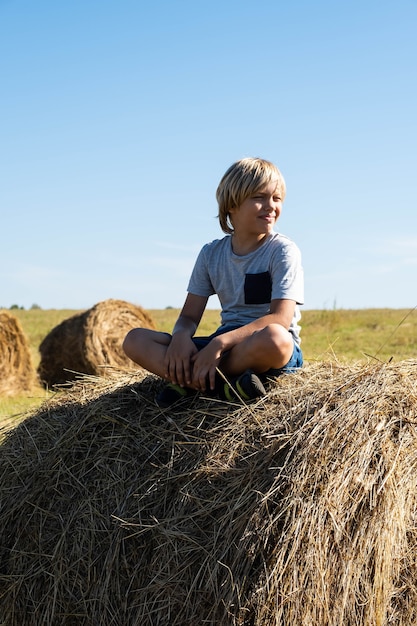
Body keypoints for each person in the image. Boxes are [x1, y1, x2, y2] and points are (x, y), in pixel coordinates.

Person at [123, 157, 304, 407]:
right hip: (226, 347)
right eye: (259, 197)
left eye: (277, 198)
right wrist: (180, 338)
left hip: (265, 349)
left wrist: (219, 344)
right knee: (135, 339)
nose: (270, 206)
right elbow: (188, 317)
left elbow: (280, 320)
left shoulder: (283, 250)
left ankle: (192, 380)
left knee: (276, 338)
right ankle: (222, 383)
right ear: (232, 205)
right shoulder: (211, 254)